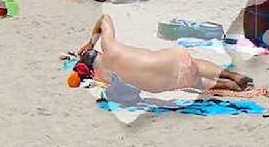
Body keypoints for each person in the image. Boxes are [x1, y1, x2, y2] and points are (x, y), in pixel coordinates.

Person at [72, 15, 252, 94]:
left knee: (193, 80)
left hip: (165, 84)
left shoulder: (104, 78)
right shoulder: (110, 48)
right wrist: (92, 40)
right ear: (98, 53)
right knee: (193, 65)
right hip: (170, 60)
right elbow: (104, 18)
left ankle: (226, 85)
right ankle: (232, 75)